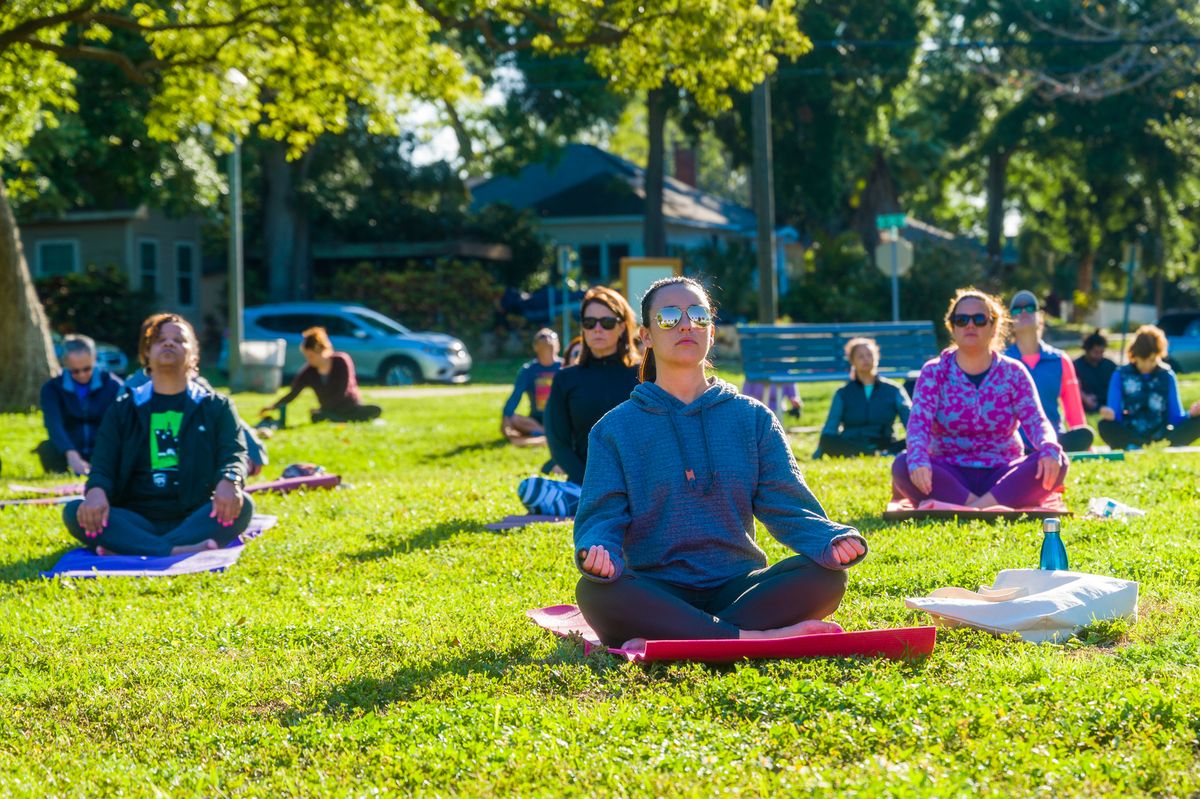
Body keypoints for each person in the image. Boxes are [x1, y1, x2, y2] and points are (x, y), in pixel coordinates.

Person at [573, 276, 866, 648]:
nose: (685, 325)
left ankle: (688, 634)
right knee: (596, 592)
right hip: (656, 588)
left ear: (711, 332)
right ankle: (753, 638)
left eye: (697, 315)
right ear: (645, 336)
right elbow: (601, 516)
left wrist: (829, 537)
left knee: (826, 578)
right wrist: (599, 551)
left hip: (739, 587)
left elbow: (785, 503)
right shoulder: (614, 429)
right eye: (668, 317)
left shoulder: (753, 418)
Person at [63, 313, 254, 556]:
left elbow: (234, 453)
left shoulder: (217, 406)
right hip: (135, 517)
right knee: (74, 511)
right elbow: (103, 465)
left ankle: (131, 547)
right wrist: (96, 491)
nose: (169, 343)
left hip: (194, 515)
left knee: (244, 505)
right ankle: (175, 549)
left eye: (179, 339)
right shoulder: (123, 408)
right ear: (146, 353)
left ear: (194, 354)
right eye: (160, 339)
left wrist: (230, 480)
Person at [892, 288, 1067, 509]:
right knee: (902, 465)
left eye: (979, 319)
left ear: (994, 326)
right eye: (962, 319)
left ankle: (973, 508)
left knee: (1057, 461)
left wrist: (1049, 446)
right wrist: (917, 460)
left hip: (1003, 472)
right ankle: (988, 507)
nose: (970, 325)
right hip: (949, 472)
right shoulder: (934, 372)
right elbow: (918, 425)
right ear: (952, 327)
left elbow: (1037, 421)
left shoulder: (1013, 372)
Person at [519, 287, 640, 517]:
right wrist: (591, 483)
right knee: (529, 488)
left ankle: (597, 505)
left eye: (606, 322)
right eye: (589, 322)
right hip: (584, 480)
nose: (597, 329)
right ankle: (594, 503)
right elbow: (558, 441)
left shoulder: (644, 375)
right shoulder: (566, 378)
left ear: (622, 326)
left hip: (637, 480)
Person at [1004, 290, 1095, 452]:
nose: (1024, 312)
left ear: (1040, 317)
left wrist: (1086, 447)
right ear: (1010, 321)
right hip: (1016, 443)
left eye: (1030, 308)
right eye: (1017, 309)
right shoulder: (1001, 362)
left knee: (1085, 434)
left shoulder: (1059, 359)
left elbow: (1073, 407)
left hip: (1054, 440)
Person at [1097, 325, 1200, 449]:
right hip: (1130, 434)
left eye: (1151, 360)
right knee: (1105, 425)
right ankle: (1135, 446)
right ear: (1134, 356)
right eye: (1142, 360)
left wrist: (1191, 414)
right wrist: (1111, 415)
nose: (1147, 365)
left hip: (1163, 436)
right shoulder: (1120, 375)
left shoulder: (1167, 375)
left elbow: (1175, 418)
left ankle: (1159, 446)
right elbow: (1116, 416)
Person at [37, 335, 123, 475]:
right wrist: (70, 454)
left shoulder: (113, 386)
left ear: (94, 359)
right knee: (47, 448)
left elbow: (118, 426)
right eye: (75, 371)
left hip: (102, 447)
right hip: (68, 448)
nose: (82, 375)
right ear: (65, 364)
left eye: (87, 369)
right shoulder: (52, 389)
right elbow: (54, 425)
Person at [261, 327, 381, 424]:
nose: (309, 360)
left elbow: (342, 390)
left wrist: (325, 408)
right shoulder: (309, 371)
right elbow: (293, 393)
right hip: (328, 411)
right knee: (317, 416)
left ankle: (338, 418)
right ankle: (336, 418)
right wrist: (273, 407)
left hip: (349, 407)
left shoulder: (341, 361)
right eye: (307, 356)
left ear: (321, 350)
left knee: (375, 410)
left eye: (311, 356)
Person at [815, 337, 911, 458]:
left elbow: (912, 423)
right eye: (860, 356)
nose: (865, 359)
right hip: (851, 444)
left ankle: (879, 452)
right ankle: (874, 454)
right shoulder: (842, 393)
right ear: (852, 361)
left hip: (886, 443)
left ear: (876, 358)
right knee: (827, 440)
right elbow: (830, 429)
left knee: (916, 440)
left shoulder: (894, 390)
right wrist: (820, 450)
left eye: (869, 355)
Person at [501, 328, 562, 439]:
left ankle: (545, 432)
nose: (546, 338)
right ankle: (545, 432)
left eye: (551, 336)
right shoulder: (528, 371)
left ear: (558, 345)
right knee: (514, 418)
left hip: (561, 417)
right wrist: (506, 418)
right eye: (541, 336)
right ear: (535, 347)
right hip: (537, 419)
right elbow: (515, 396)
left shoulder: (566, 367)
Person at [1074, 329, 1118, 413]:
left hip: (1107, 405)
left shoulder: (1110, 365)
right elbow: (1072, 387)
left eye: (1101, 352)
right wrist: (1085, 397)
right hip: (1086, 406)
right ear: (1087, 350)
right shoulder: (1076, 366)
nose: (1099, 355)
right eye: (1095, 352)